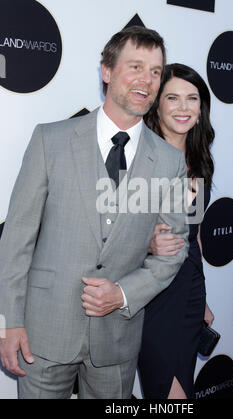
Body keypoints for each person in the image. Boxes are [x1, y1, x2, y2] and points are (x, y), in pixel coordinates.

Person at [0, 27, 189, 399]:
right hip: (43, 334)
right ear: (106, 70)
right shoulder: (49, 141)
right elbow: (16, 241)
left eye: (155, 71)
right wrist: (9, 322)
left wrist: (122, 293)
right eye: (135, 67)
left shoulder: (170, 161)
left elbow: (173, 250)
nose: (146, 81)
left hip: (117, 341)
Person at [138, 63, 215, 399]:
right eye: (173, 98)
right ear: (157, 104)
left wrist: (203, 298)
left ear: (201, 108)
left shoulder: (198, 161)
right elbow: (109, 232)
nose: (183, 107)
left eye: (192, 98)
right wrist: (147, 243)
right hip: (153, 294)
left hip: (189, 290)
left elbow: (194, 233)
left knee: (183, 388)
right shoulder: (139, 158)